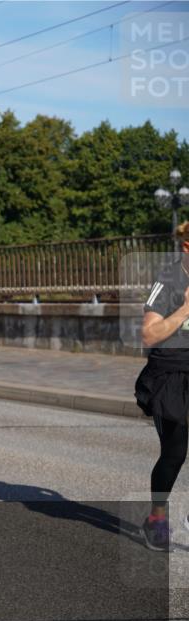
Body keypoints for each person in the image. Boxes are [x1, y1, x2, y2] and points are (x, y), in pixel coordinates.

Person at [136, 219, 189, 551]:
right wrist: (185, 309)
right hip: (170, 375)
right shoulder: (169, 279)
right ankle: (157, 517)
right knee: (174, 453)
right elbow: (149, 334)